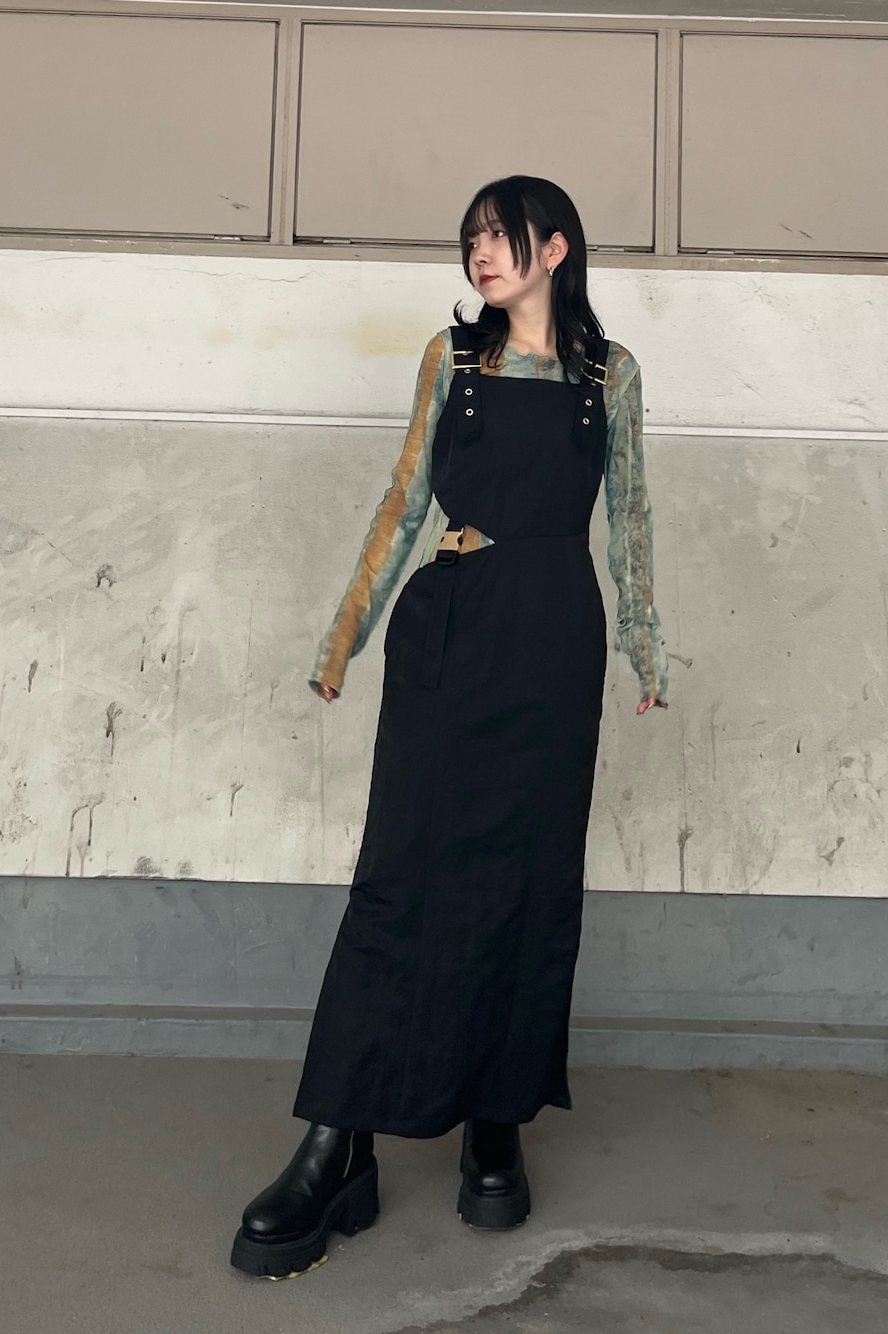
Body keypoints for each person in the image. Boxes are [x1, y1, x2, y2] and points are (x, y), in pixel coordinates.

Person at [230, 175, 668, 1280]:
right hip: (451, 625)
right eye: (471, 238)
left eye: (500, 236)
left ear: (554, 248)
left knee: (527, 880)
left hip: (553, 640)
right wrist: (346, 632)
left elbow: (630, 520)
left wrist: (645, 644)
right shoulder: (453, 361)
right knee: (399, 879)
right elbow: (403, 499)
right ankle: (338, 1142)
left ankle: (495, 1120)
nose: (480, 253)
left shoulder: (608, 377)